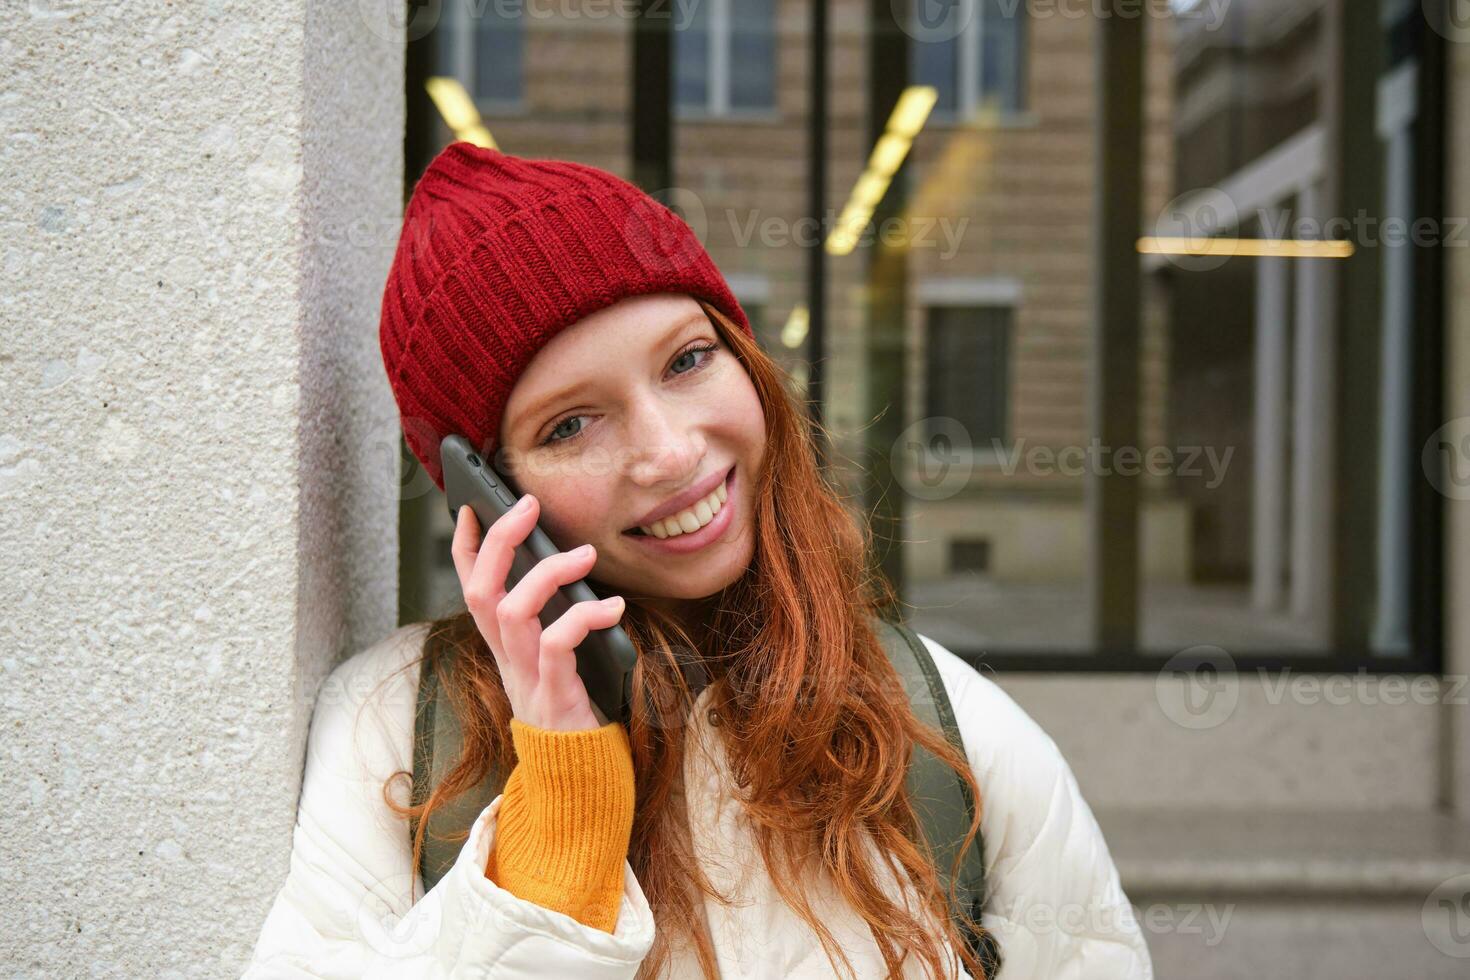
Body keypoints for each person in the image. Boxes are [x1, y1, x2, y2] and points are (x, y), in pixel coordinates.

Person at [242, 141, 1153, 979]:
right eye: (570, 423)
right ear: (485, 491)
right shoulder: (392, 728)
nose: (671, 453)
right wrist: (559, 805)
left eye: (687, 360)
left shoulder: (947, 729)